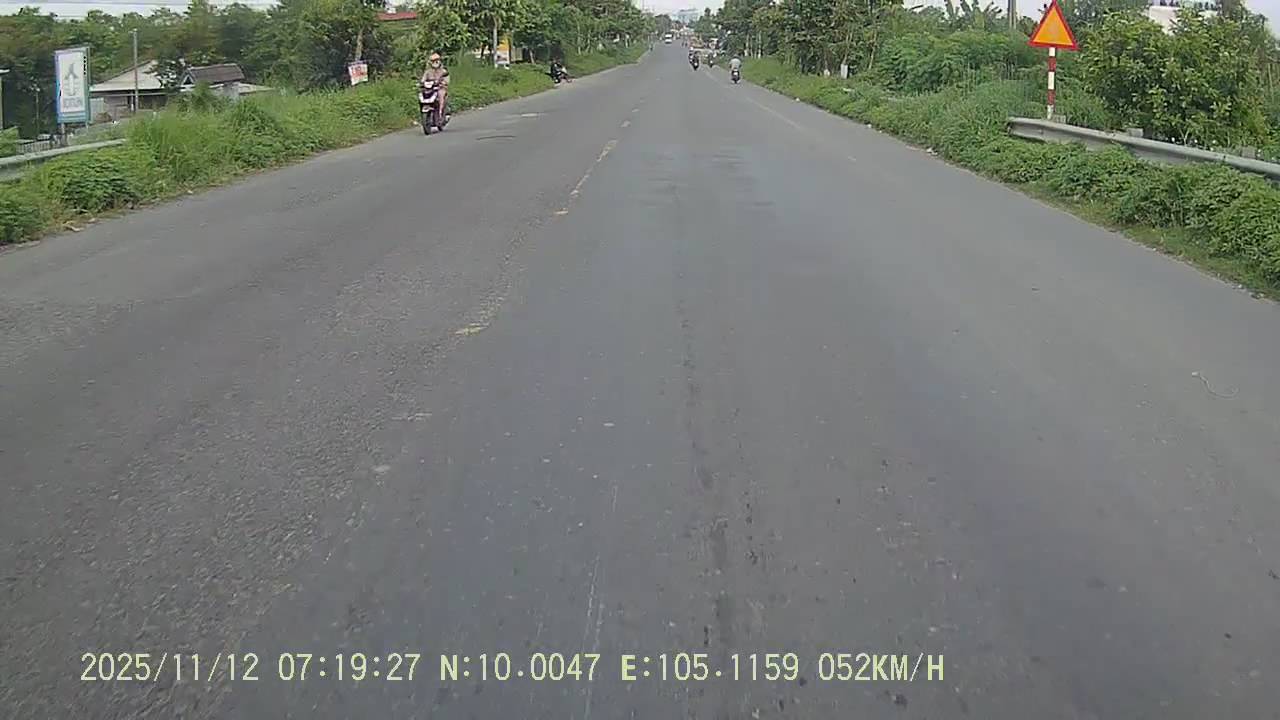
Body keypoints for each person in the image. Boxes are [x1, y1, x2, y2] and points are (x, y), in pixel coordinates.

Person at [420, 52, 450, 118]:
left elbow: (446, 80)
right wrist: (421, 83)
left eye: (437, 60)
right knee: (422, 94)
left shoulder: (443, 71)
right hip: (430, 89)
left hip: (440, 88)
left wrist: (443, 83)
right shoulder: (428, 71)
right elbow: (423, 79)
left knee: (440, 95)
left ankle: (440, 112)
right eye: (433, 61)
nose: (435, 62)